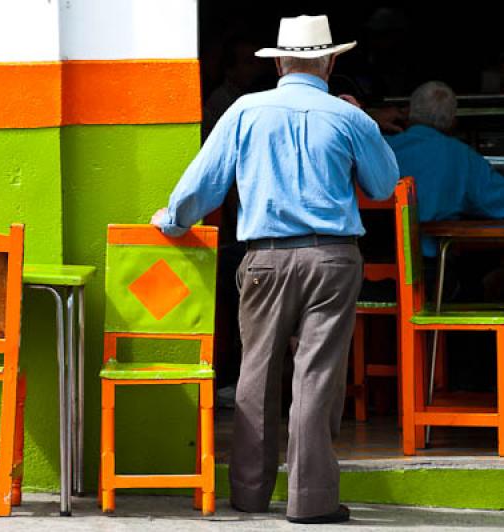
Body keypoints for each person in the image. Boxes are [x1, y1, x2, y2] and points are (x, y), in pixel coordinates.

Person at [151, 15, 399, 524]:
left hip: (264, 258)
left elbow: (203, 185)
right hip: (333, 259)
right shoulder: (348, 118)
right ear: (330, 62)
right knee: (317, 377)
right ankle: (312, 502)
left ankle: (249, 495)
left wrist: (173, 220)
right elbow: (382, 186)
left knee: (256, 374)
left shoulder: (245, 110)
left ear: (280, 61)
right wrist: (362, 120)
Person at [386, 81, 504, 259]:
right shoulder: (461, 156)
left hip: (375, 262)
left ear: (409, 112)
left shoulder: (382, 146)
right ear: (452, 121)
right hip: (429, 268)